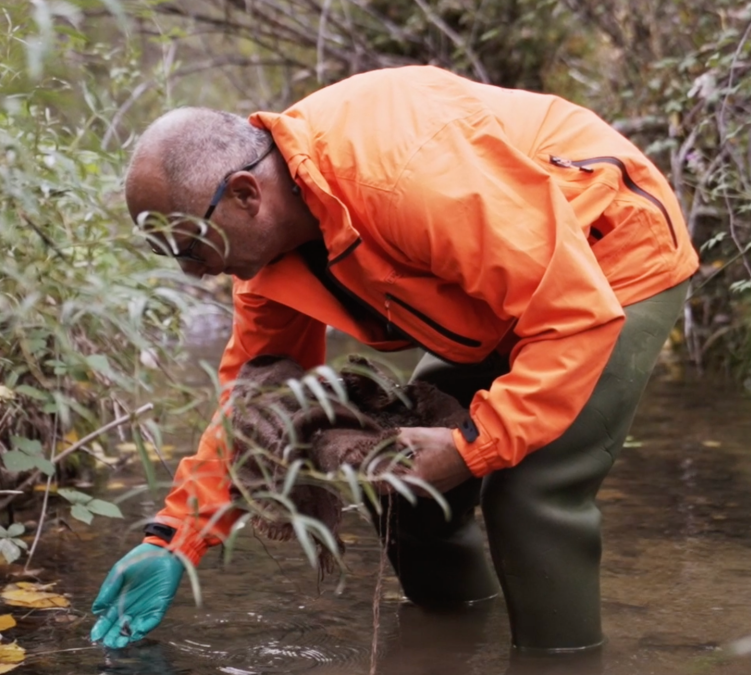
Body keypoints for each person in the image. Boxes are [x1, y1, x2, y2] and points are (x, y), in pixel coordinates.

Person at [90, 65, 698, 653]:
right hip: (505, 298)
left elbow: (570, 314)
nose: (196, 274)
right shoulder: (267, 256)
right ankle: (456, 644)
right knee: (406, 482)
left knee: (529, 492)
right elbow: (256, 408)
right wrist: (174, 540)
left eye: (191, 246)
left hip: (609, 265)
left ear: (246, 193)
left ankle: (560, 658)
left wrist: (470, 449)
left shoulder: (408, 176)